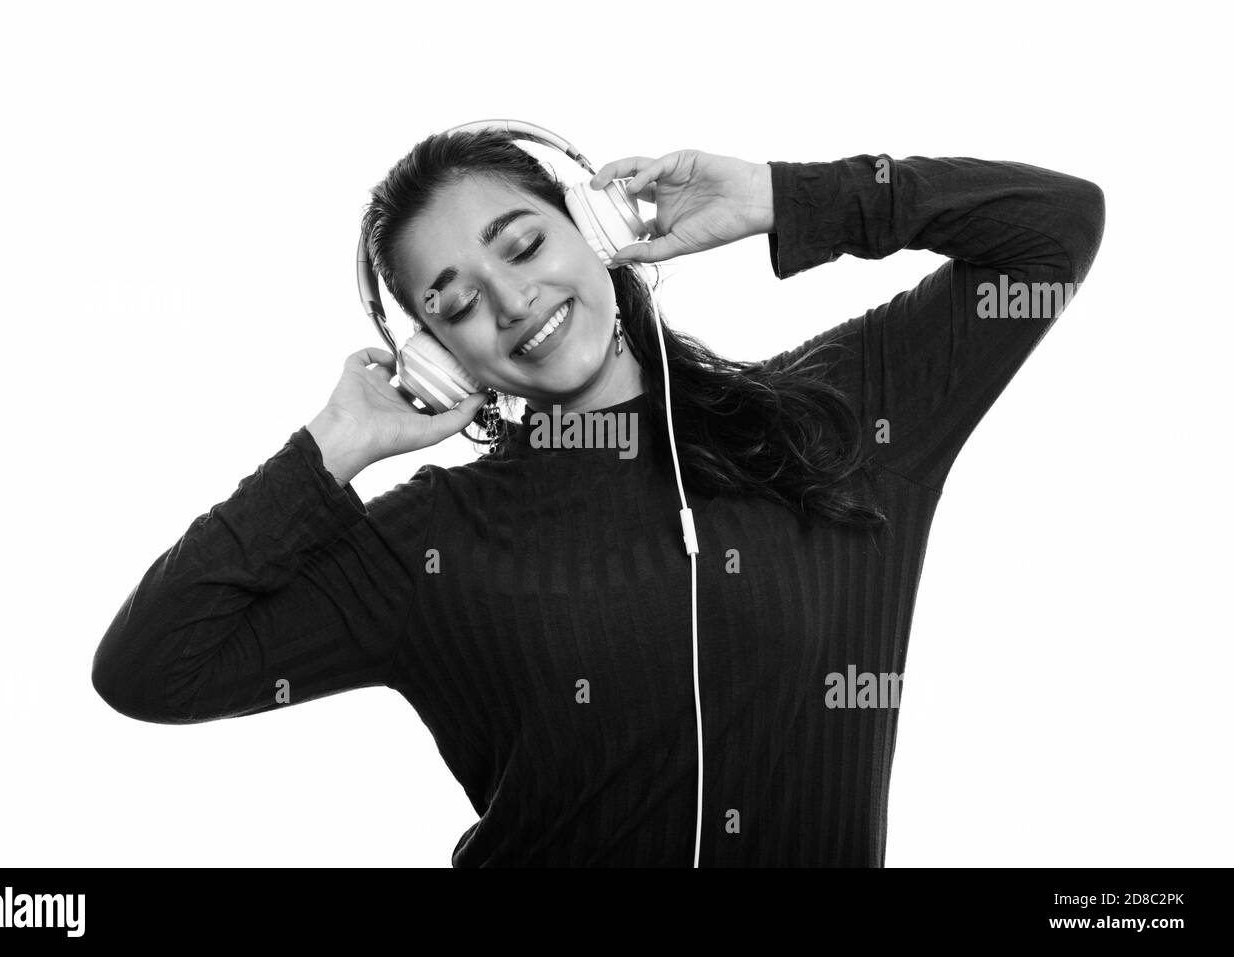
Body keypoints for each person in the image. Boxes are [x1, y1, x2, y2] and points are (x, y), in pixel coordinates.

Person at [91, 130, 1106, 867]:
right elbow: (151, 669)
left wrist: (784, 197)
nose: (511, 301)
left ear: (598, 232)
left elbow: (1055, 229)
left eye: (523, 245)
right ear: (440, 358)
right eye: (453, 304)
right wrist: (333, 450)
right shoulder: (433, 542)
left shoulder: (835, 421)